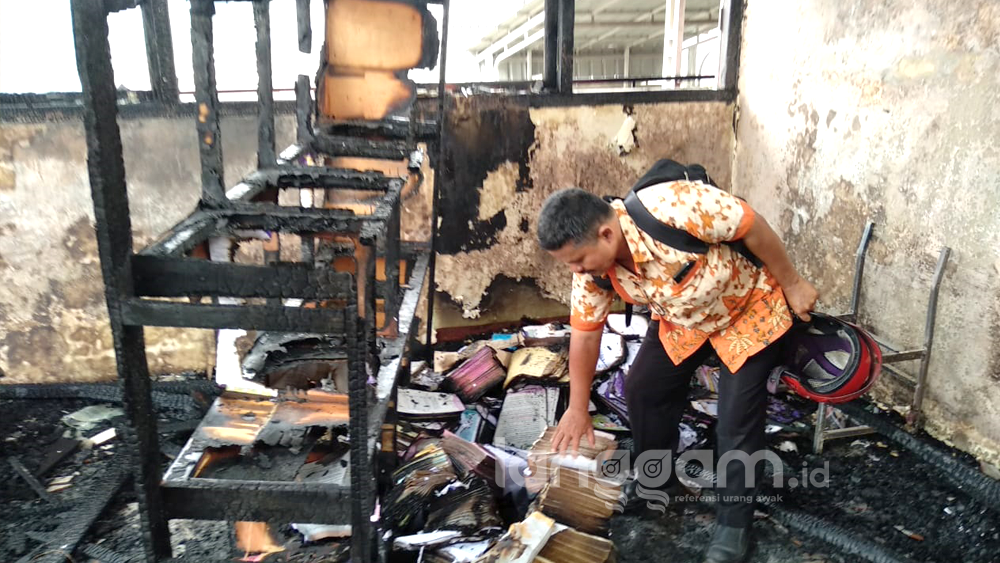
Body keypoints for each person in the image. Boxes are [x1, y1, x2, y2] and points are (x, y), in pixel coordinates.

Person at [536, 173, 818, 563]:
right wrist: (577, 406)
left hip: (749, 309)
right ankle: (660, 485)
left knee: (735, 419)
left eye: (579, 261)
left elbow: (751, 224)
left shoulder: (673, 206)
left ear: (605, 234)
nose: (577, 272)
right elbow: (585, 334)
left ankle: (734, 525)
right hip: (684, 320)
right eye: (570, 264)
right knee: (644, 390)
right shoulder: (593, 272)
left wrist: (794, 283)